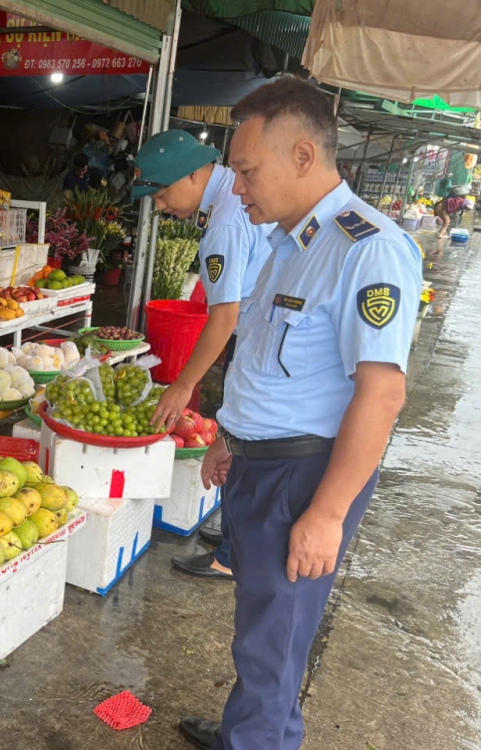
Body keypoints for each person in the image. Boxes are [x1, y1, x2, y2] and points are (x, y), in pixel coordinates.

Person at [178, 77, 422, 750]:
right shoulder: (290, 244)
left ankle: (255, 740)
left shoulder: (367, 250)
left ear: (304, 156)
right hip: (261, 464)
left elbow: (381, 395)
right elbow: (264, 361)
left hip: (304, 477)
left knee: (274, 638)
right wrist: (229, 436)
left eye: (248, 171)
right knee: (265, 628)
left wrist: (328, 514)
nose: (238, 188)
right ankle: (253, 730)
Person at [131, 129, 274, 581]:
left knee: (245, 438)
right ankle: (232, 533)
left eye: (162, 193)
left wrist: (183, 384)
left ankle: (229, 556)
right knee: (240, 438)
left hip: (259, 341)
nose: (159, 205)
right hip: (266, 336)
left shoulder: (226, 224)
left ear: (194, 174)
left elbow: (224, 317)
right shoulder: (232, 198)